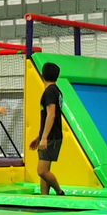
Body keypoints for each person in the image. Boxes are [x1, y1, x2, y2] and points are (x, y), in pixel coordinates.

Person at [36, 63, 66, 196]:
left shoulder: (50, 91)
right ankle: (45, 197)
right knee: (45, 170)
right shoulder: (56, 90)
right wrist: (39, 136)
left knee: (42, 171)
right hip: (50, 134)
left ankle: (59, 191)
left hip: (51, 136)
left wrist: (44, 137)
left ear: (42, 75)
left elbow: (51, 114)